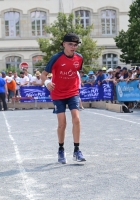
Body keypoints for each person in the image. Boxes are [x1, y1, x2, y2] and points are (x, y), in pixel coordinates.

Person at [41, 33, 86, 164]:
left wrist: (78, 89)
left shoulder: (79, 58)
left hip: (72, 92)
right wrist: (47, 82)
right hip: (58, 93)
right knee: (62, 123)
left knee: (76, 119)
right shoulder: (56, 58)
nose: (73, 47)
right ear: (64, 44)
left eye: (75, 45)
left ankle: (77, 150)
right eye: (70, 44)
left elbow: (76, 72)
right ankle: (61, 149)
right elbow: (44, 75)